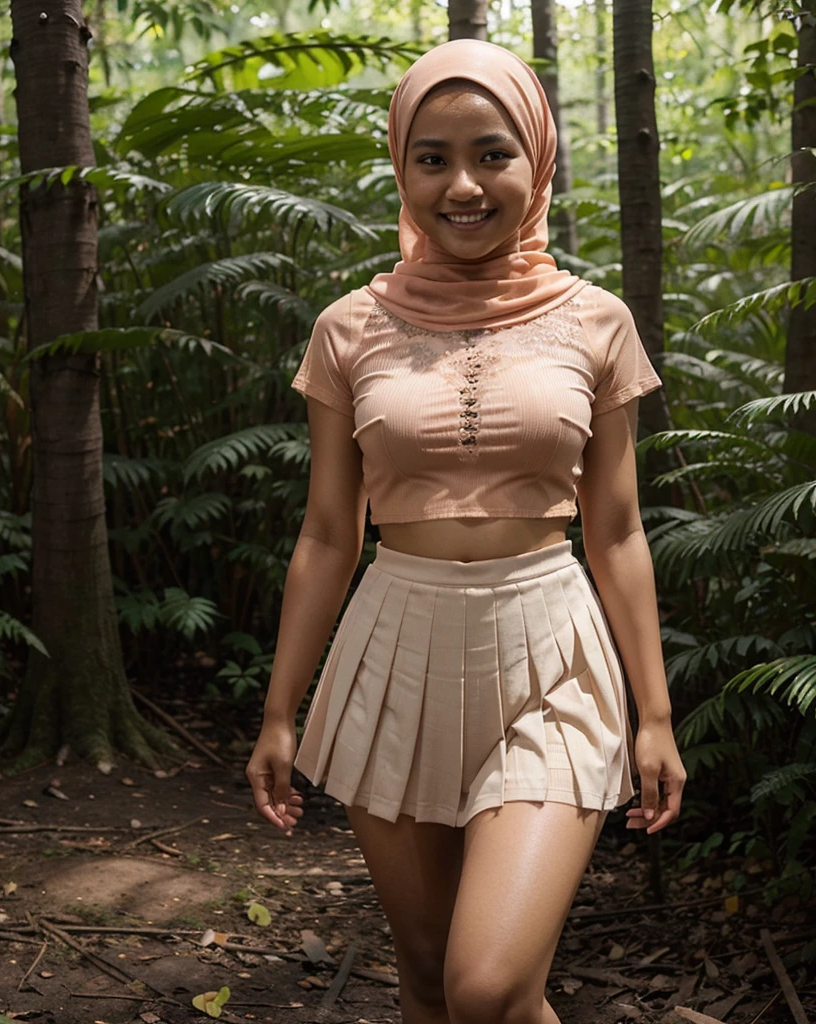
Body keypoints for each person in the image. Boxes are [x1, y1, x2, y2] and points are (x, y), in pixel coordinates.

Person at [246, 38, 686, 1024]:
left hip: (553, 657)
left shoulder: (596, 322)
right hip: (394, 648)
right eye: (430, 158)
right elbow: (327, 533)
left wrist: (654, 715)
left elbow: (615, 530)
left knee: (487, 985)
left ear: (536, 159)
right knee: (428, 969)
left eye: (491, 152)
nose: (462, 185)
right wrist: (279, 711)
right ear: (400, 168)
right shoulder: (348, 328)